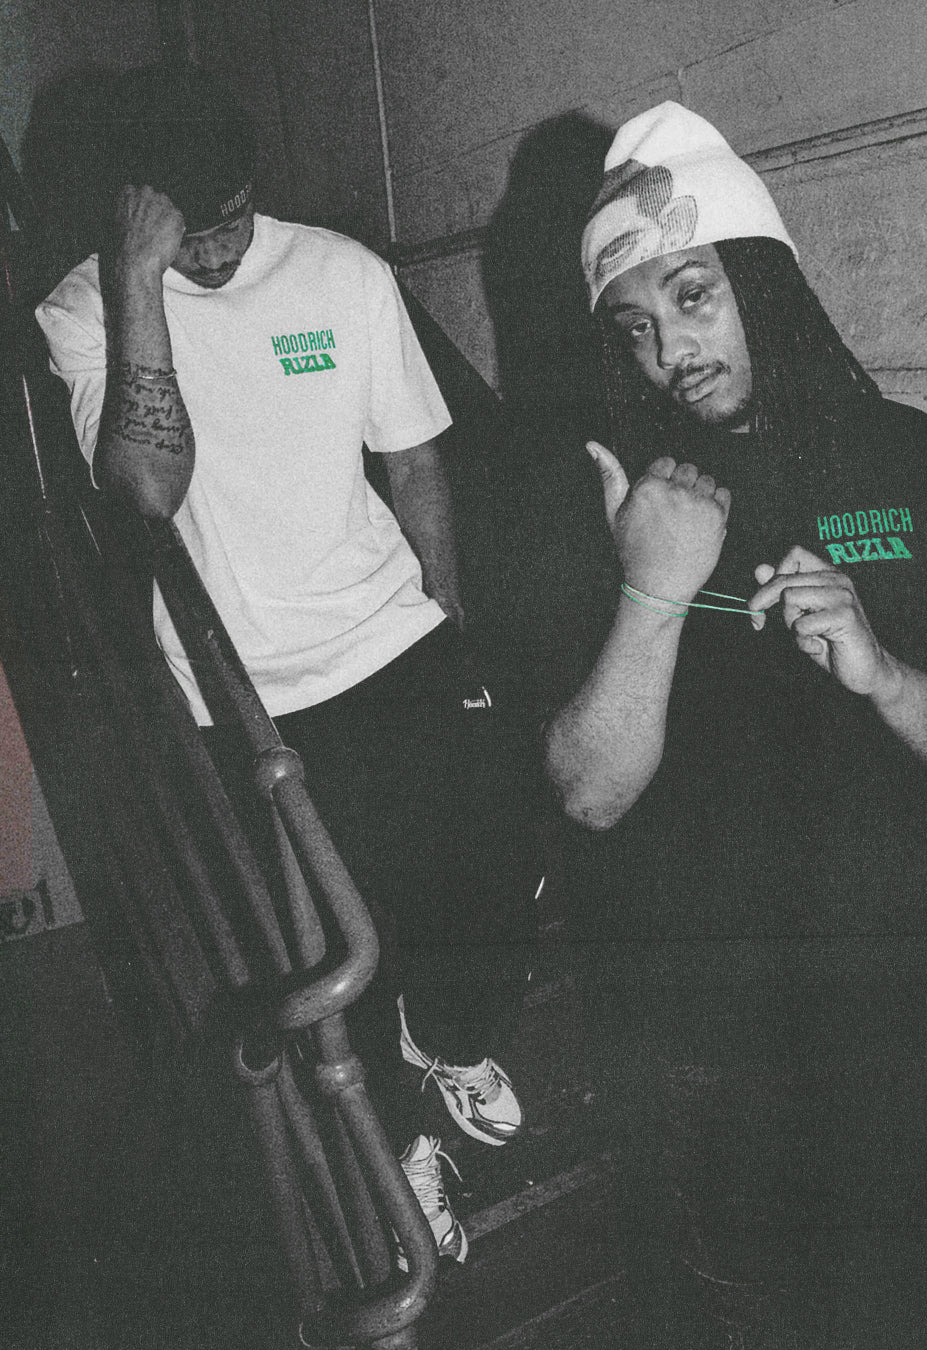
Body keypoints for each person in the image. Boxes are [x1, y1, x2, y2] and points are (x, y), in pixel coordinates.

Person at [501, 101, 927, 1344]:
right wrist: (652, 590)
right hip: (722, 1055)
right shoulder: (600, 497)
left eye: (694, 298)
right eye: (634, 326)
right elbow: (589, 792)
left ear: (764, 281)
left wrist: (885, 674)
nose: (671, 350)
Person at [35, 62, 537, 1265]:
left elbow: (413, 461)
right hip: (247, 693)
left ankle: (446, 1041)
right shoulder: (85, 308)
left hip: (394, 638)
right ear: (133, 210)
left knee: (497, 867)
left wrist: (450, 624)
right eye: (187, 233)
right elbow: (143, 493)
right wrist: (140, 280)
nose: (217, 254)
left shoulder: (345, 275)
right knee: (333, 946)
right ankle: (399, 1147)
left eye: (232, 223)